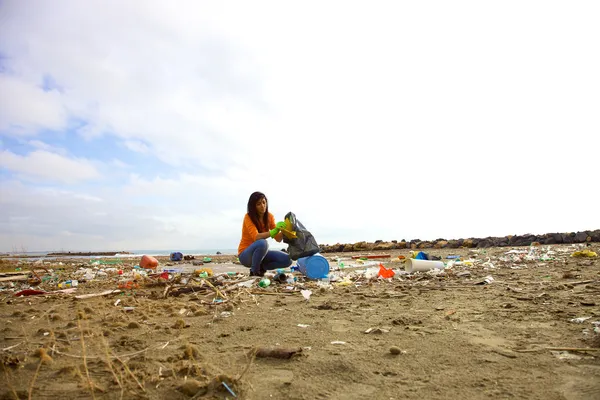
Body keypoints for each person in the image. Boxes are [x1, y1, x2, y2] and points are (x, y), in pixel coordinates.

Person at [238, 192, 292, 276]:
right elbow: (256, 237)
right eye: (258, 204)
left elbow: (278, 238)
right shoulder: (248, 217)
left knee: (288, 260)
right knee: (263, 243)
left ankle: (262, 268)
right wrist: (274, 231)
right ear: (253, 207)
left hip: (261, 254)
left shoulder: (269, 216)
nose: (262, 206)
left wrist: (286, 229)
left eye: (264, 202)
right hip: (245, 255)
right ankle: (254, 271)